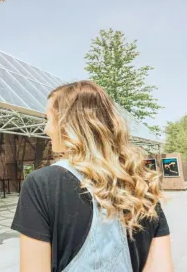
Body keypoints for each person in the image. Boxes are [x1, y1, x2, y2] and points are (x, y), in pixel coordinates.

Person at [11, 81, 173, 272]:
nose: (46, 129)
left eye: (49, 119)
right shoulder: (141, 184)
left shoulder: (41, 184)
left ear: (69, 125)